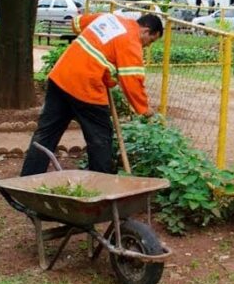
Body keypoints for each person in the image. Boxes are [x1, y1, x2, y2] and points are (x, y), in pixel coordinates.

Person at [20, 12, 164, 176]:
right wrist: (144, 109)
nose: (147, 45)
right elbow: (132, 81)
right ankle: (101, 183)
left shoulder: (109, 18)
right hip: (86, 87)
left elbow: (77, 24)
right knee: (100, 138)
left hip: (61, 77)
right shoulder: (131, 40)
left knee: (46, 133)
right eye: (150, 41)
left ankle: (28, 179)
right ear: (146, 30)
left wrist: (106, 72)